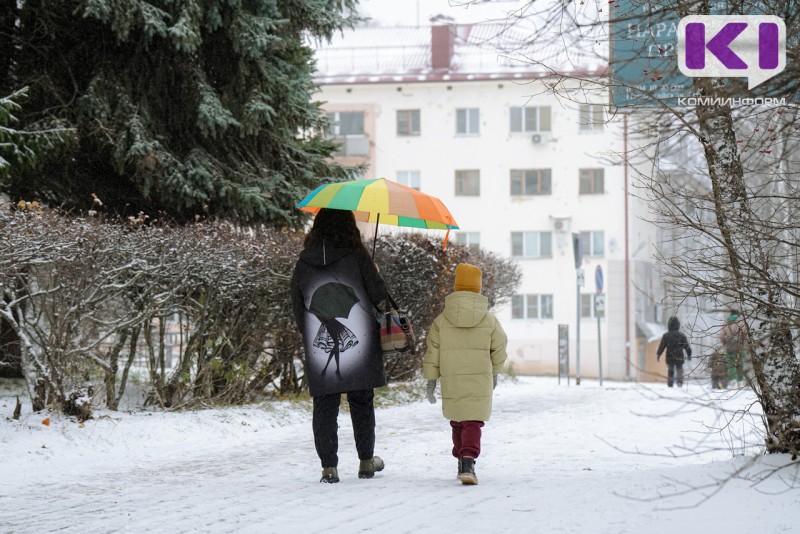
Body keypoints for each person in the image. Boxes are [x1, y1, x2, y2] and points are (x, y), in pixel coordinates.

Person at [290, 208, 388, 483]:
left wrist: (308, 332)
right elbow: (379, 294)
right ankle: (366, 461)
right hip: (360, 342)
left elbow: (297, 304)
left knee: (324, 405)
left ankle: (329, 468)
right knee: (361, 402)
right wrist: (373, 271)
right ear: (349, 225)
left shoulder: (304, 261)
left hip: (319, 343)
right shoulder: (356, 255)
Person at [423, 263, 507, 485]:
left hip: (452, 379)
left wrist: (431, 379)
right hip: (479, 380)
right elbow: (500, 347)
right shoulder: (489, 320)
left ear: (456, 286)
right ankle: (468, 461)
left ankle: (462, 460)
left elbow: (433, 350)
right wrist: (496, 371)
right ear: (478, 289)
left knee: (458, 421)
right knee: (473, 421)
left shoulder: (442, 320)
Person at [656, 316, 692, 388]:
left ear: (669, 325)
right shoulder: (681, 335)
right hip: (679, 356)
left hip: (670, 355)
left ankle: (670, 384)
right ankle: (680, 383)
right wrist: (689, 355)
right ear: (678, 325)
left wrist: (658, 354)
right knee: (679, 370)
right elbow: (687, 347)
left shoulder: (666, 335)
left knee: (670, 370)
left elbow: (662, 346)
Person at [719, 309, 747, 388]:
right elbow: (745, 335)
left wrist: (725, 344)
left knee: (731, 365)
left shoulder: (726, 323)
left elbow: (721, 336)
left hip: (730, 347)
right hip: (740, 347)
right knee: (740, 364)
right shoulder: (741, 323)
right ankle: (740, 382)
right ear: (738, 315)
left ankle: (733, 381)